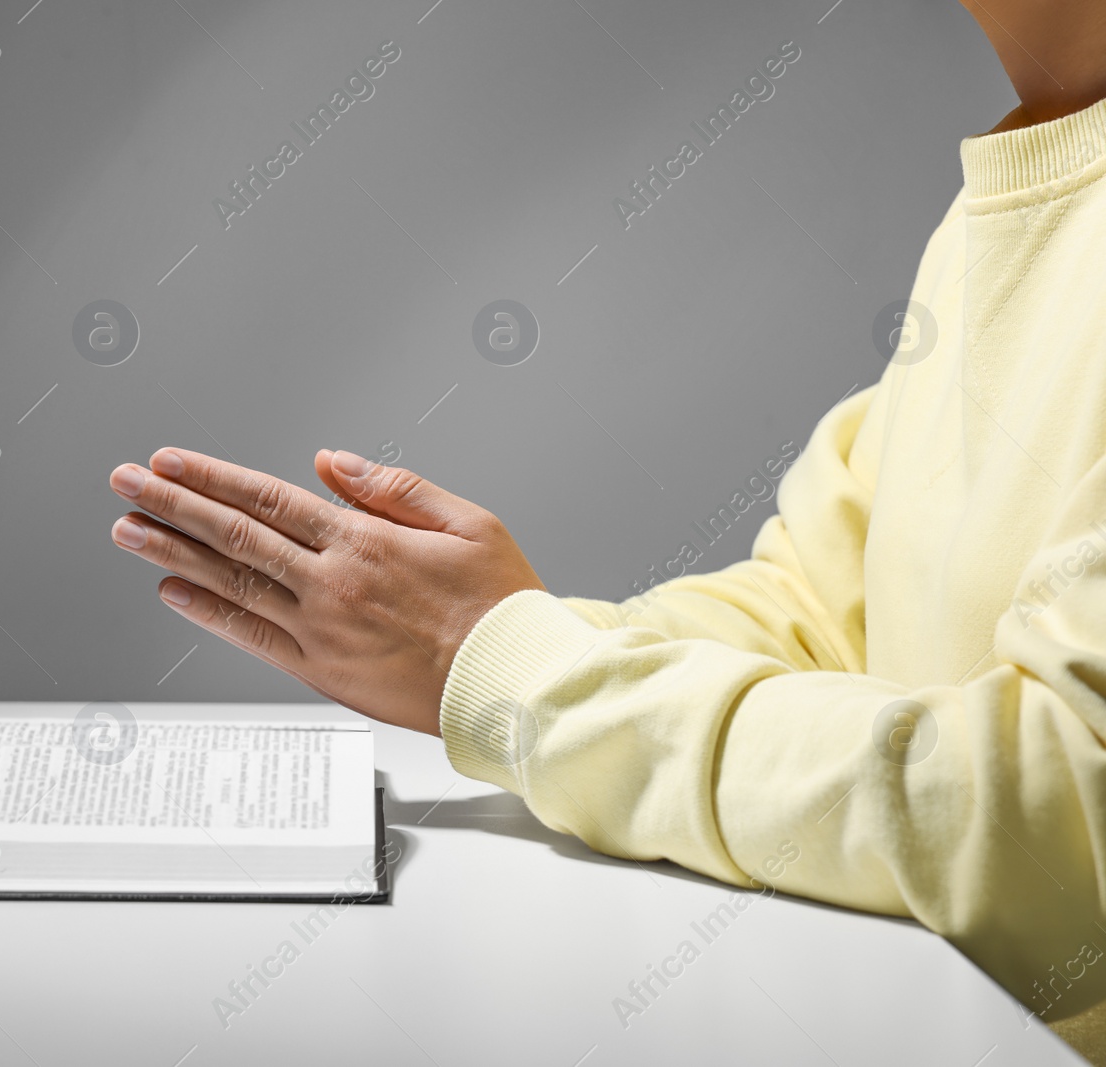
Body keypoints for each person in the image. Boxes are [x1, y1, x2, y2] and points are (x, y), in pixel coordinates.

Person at [109, 0, 1106, 1058]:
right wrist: (487, 637)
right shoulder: (1021, 188)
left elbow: (1059, 830)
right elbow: (817, 616)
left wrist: (512, 671)